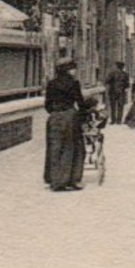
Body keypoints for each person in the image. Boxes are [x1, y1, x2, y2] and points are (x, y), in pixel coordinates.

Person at [43, 58, 92, 191]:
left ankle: (55, 180)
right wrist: (85, 112)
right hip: (70, 117)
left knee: (55, 147)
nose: (74, 71)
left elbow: (47, 104)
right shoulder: (73, 83)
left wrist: (55, 112)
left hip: (54, 117)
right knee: (73, 147)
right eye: (72, 68)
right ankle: (71, 180)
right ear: (67, 69)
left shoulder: (51, 84)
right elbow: (80, 103)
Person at [104, 61, 129, 125]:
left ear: (117, 66)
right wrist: (122, 87)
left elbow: (106, 81)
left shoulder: (112, 73)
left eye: (115, 66)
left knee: (113, 106)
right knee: (120, 106)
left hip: (113, 91)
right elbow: (127, 85)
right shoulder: (125, 74)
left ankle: (113, 120)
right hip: (121, 92)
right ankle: (119, 120)